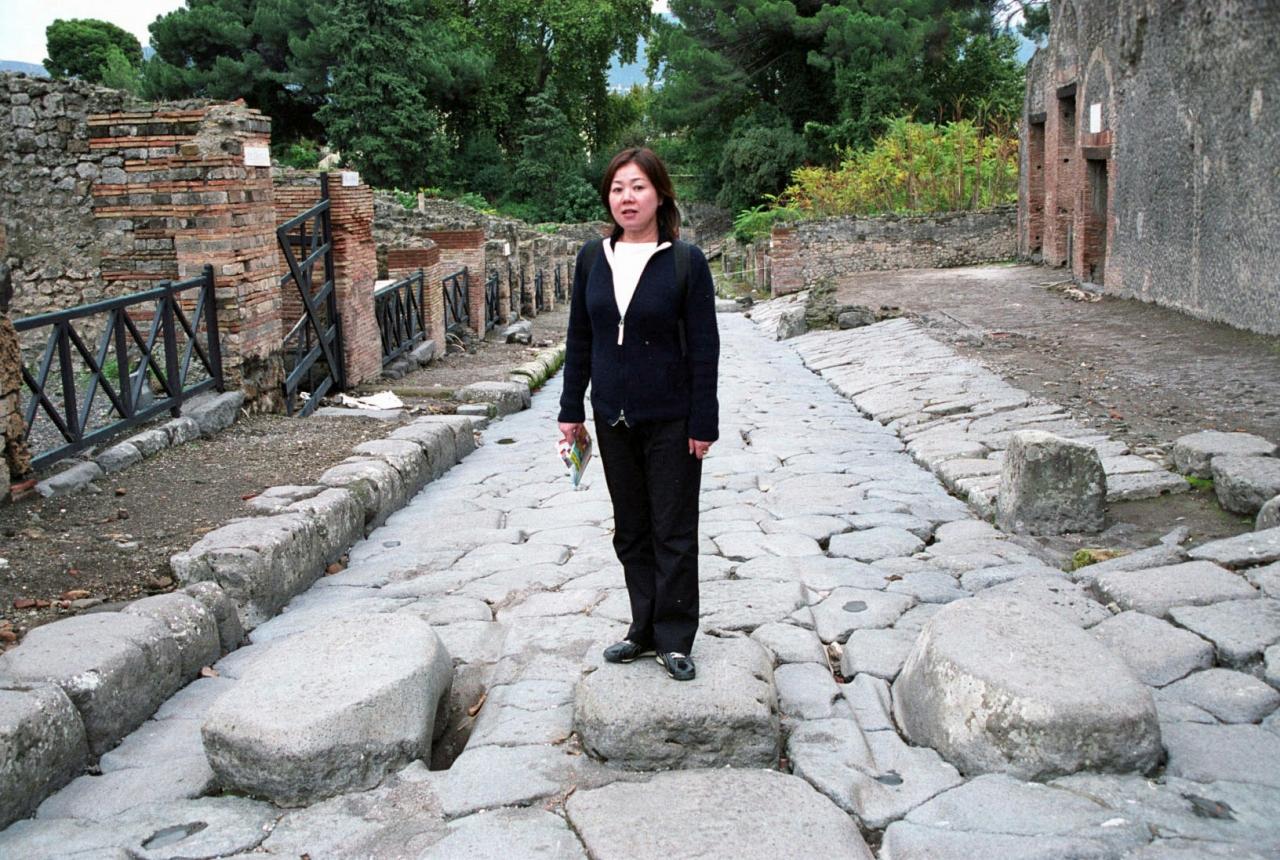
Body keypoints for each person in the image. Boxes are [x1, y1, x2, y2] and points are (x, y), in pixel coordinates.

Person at [557, 147, 720, 681]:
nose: (627, 198)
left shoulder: (685, 262)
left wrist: (704, 421)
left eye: (638, 187)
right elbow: (580, 336)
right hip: (612, 419)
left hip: (672, 418)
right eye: (617, 188)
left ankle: (674, 637)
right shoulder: (592, 258)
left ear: (659, 194)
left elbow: (705, 348)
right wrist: (570, 408)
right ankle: (642, 627)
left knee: (673, 530)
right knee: (630, 530)